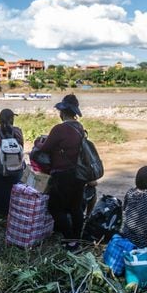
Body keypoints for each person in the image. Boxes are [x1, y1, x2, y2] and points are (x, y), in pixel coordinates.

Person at [38, 94, 86, 251]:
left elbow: (45, 148)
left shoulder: (59, 129)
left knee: (55, 207)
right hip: (79, 174)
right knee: (75, 207)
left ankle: (69, 239)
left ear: (63, 111)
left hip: (62, 174)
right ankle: (77, 239)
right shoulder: (80, 128)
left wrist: (39, 142)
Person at [0, 108, 24, 216]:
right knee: (13, 191)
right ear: (12, 119)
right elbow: (21, 146)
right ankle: (12, 213)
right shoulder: (18, 131)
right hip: (16, 166)